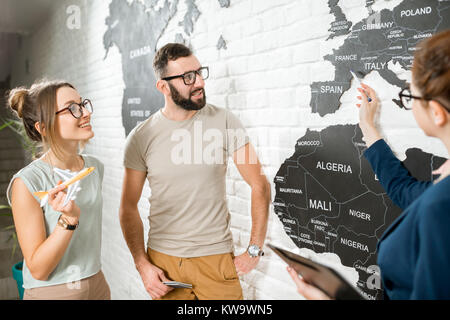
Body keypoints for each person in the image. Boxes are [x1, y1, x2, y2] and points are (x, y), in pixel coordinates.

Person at [288, 30, 450, 300]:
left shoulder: (441, 206)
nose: (407, 100)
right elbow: (402, 189)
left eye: (411, 95)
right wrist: (367, 126)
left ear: (436, 112)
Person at [119, 43, 271, 300]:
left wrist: (254, 248)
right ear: (163, 87)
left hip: (217, 262)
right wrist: (142, 265)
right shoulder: (140, 137)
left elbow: (260, 184)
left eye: (200, 72)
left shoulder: (224, 121)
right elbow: (128, 207)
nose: (199, 82)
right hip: (164, 266)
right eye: (188, 77)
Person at [6, 80, 110, 300]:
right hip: (54, 293)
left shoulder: (94, 168)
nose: (85, 113)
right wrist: (69, 220)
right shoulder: (27, 182)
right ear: (43, 127)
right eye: (72, 108)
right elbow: (38, 269)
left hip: (97, 284)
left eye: (82, 104)